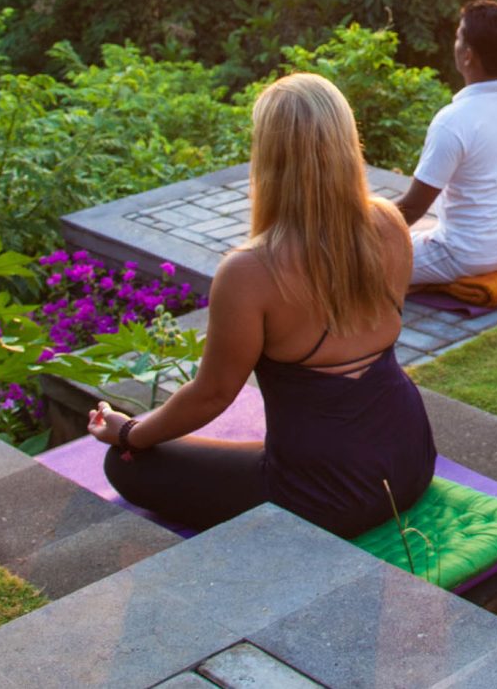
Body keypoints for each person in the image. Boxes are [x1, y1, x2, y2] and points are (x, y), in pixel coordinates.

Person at [85, 73, 435, 537]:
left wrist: (129, 432)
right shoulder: (389, 223)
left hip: (329, 495)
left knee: (125, 465)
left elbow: (212, 394)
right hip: (410, 458)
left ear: (268, 156)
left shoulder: (251, 271)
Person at [397, 0, 497, 285]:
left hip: (468, 256)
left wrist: (359, 237)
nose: (453, 43)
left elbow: (412, 209)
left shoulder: (452, 121)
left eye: (457, 37)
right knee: (423, 234)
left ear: (467, 55)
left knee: (363, 262)